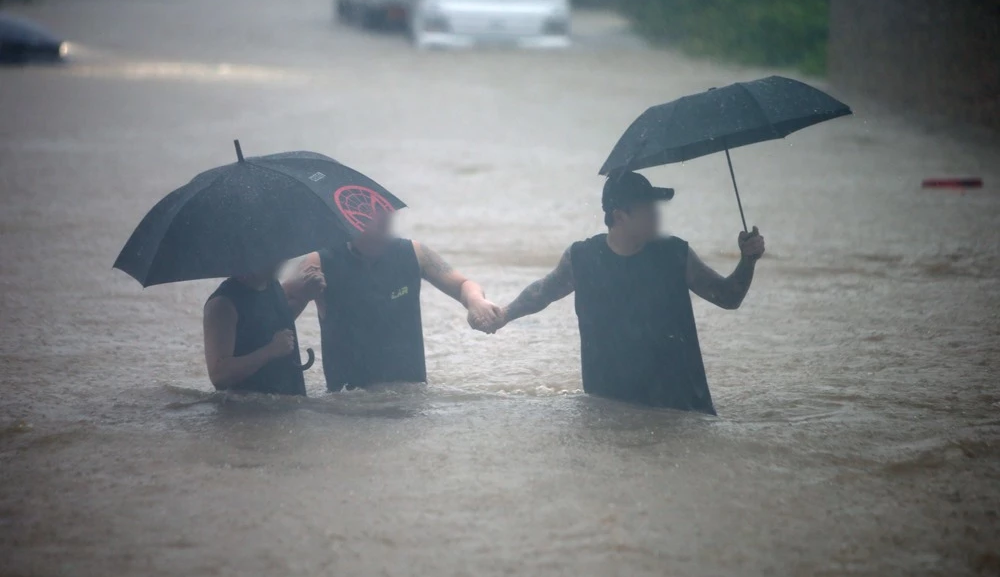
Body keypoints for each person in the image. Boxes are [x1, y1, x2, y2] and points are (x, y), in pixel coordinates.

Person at [490, 171, 766, 415]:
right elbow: (542, 292)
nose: (657, 214)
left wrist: (747, 260)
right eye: (647, 208)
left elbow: (729, 297)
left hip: (679, 409)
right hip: (608, 407)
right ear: (620, 216)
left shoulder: (674, 255)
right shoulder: (583, 258)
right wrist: (503, 315)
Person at [284, 211, 503, 391]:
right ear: (354, 221)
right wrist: (304, 292)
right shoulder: (320, 261)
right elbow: (278, 315)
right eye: (377, 220)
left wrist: (476, 301)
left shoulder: (414, 252)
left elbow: (463, 284)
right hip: (347, 397)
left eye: (387, 218)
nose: (385, 225)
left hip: (409, 390)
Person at [202, 264, 311, 396]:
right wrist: (270, 351)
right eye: (272, 255)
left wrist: (304, 297)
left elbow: (270, 327)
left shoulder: (273, 285)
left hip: (287, 406)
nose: (282, 261)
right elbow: (219, 375)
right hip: (248, 412)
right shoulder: (222, 305)